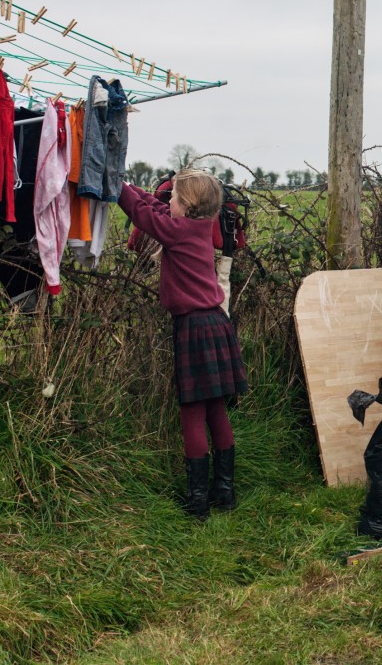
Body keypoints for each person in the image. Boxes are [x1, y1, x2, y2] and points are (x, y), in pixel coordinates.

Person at [118, 169, 248, 519]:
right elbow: (155, 209)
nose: (168, 202)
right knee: (216, 410)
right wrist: (131, 188)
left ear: (187, 205)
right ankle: (225, 493)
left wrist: (115, 187)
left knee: (191, 413)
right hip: (216, 323)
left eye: (173, 197)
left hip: (193, 327)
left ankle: (198, 502)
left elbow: (144, 214)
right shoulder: (196, 227)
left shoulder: (176, 232)